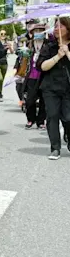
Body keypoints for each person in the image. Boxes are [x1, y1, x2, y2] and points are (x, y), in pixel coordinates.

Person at [38, 17, 70, 160]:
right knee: (52, 116)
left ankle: (68, 137)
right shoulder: (49, 46)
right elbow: (41, 66)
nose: (57, 29)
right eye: (55, 26)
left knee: (68, 118)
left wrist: (67, 53)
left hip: (68, 88)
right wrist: (57, 56)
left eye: (61, 26)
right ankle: (55, 148)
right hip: (50, 87)